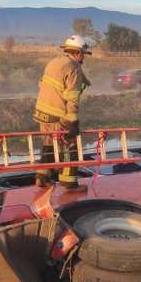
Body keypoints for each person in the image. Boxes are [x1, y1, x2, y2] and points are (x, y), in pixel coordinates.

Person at [33, 35, 92, 193]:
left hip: (42, 111)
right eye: (83, 54)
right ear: (78, 53)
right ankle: (69, 183)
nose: (83, 58)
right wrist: (73, 121)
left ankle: (42, 177)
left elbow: (42, 85)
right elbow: (72, 97)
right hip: (57, 113)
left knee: (48, 144)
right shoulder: (73, 68)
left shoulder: (54, 62)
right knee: (69, 144)